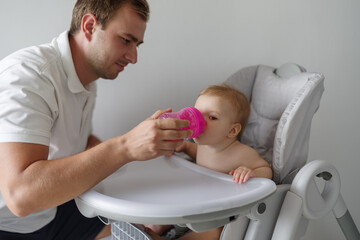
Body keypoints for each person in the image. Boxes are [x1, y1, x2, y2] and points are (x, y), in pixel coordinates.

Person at [0, 0, 192, 239]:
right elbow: (20, 196)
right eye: (125, 40)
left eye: (137, 44)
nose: (133, 57)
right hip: (9, 223)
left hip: (52, 210)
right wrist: (125, 147)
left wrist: (142, 148)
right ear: (90, 26)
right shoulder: (29, 75)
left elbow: (79, 145)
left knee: (145, 230)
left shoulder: (86, 81)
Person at [145, 84, 273, 240]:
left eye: (212, 117)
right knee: (163, 214)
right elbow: (196, 152)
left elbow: (266, 169)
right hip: (194, 202)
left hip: (218, 214)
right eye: (197, 114)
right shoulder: (203, 146)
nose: (200, 121)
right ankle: (152, 230)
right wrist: (184, 146)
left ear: (232, 131)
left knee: (213, 233)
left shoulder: (242, 153)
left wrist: (251, 172)